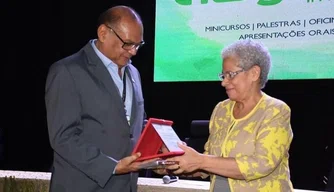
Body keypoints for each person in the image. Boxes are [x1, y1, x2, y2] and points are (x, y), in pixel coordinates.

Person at [45, 5, 155, 192]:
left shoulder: (133, 72)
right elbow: (63, 137)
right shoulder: (67, 71)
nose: (134, 51)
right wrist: (112, 166)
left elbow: (133, 123)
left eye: (138, 45)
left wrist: (161, 144)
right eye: (127, 43)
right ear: (103, 33)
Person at [165, 39, 294, 191]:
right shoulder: (221, 109)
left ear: (254, 73)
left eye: (230, 75)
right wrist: (178, 162)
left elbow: (261, 164)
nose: (224, 83)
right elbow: (210, 162)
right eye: (223, 75)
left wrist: (200, 161)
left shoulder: (275, 111)